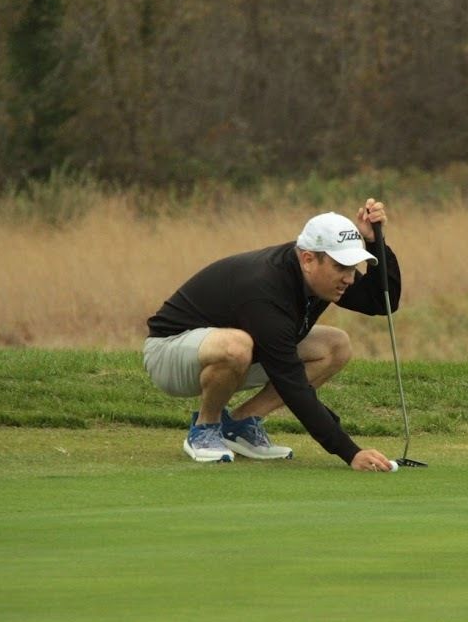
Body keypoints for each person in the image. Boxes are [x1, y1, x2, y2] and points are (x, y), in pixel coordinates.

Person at [144, 199, 403, 472]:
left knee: (335, 345)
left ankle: (241, 425)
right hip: (169, 352)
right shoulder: (265, 287)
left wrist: (375, 242)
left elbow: (381, 302)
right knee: (237, 346)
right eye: (341, 267)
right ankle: (206, 427)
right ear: (308, 259)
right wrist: (350, 452)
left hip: (237, 354)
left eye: (353, 268)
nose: (349, 279)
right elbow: (291, 381)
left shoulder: (322, 275)